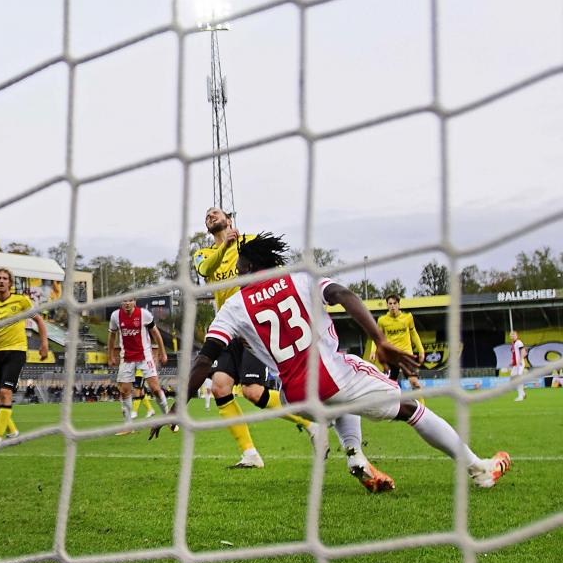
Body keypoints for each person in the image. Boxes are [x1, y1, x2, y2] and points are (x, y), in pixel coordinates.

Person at [154, 233, 511, 491]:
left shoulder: (233, 307)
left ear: (248, 267)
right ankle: (480, 469)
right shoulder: (298, 277)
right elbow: (341, 294)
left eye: (238, 266)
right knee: (411, 408)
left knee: (339, 401)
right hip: (332, 375)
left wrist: (176, 405)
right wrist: (380, 339)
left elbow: (205, 360)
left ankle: (355, 455)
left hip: (296, 395)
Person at [193, 207, 321, 468]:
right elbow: (205, 270)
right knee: (220, 387)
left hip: (254, 324)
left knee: (252, 392)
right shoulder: (202, 253)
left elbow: (276, 268)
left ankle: (310, 423)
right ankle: (250, 454)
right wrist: (224, 246)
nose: (210, 217)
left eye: (215, 213)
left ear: (230, 220)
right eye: (207, 216)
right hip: (227, 326)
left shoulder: (249, 243)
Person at [0, 268, 49, 442]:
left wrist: (44, 343)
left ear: (10, 282)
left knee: (5, 392)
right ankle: (12, 431)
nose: (1, 281)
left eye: (5, 278)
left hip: (17, 351)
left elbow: (39, 320)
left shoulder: (21, 301)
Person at [108, 297, 171, 435]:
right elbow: (112, 336)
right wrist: (111, 355)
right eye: (124, 301)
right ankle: (128, 425)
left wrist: (162, 352)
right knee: (124, 390)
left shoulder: (144, 314)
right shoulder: (115, 316)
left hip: (145, 356)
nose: (127, 303)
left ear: (134, 301)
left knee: (155, 388)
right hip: (126, 358)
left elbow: (156, 333)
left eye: (130, 300)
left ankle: (169, 417)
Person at [369, 294, 425, 400]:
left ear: (399, 305)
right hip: (391, 356)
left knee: (414, 383)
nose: (392, 306)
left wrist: (421, 350)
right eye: (390, 304)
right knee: (390, 387)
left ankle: (422, 409)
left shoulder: (408, 317)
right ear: (387, 306)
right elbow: (377, 337)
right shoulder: (382, 320)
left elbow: (414, 334)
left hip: (406, 355)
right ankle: (394, 411)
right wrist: (373, 351)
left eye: (395, 303)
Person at [509, 330, 528, 401]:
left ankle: (520, 396)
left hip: (519, 364)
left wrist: (520, 360)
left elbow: (524, 352)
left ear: (517, 335)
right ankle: (522, 393)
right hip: (515, 365)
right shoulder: (513, 344)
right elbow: (514, 354)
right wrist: (512, 362)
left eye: (514, 335)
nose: (512, 336)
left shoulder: (519, 342)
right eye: (511, 335)